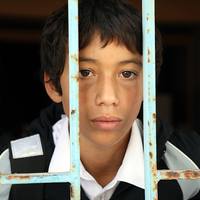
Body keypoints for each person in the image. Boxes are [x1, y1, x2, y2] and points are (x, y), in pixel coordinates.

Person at [0, 0, 200, 199]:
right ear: (53, 85)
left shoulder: (189, 165)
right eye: (85, 72)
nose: (107, 98)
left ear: (148, 86)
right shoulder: (11, 173)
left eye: (127, 74)